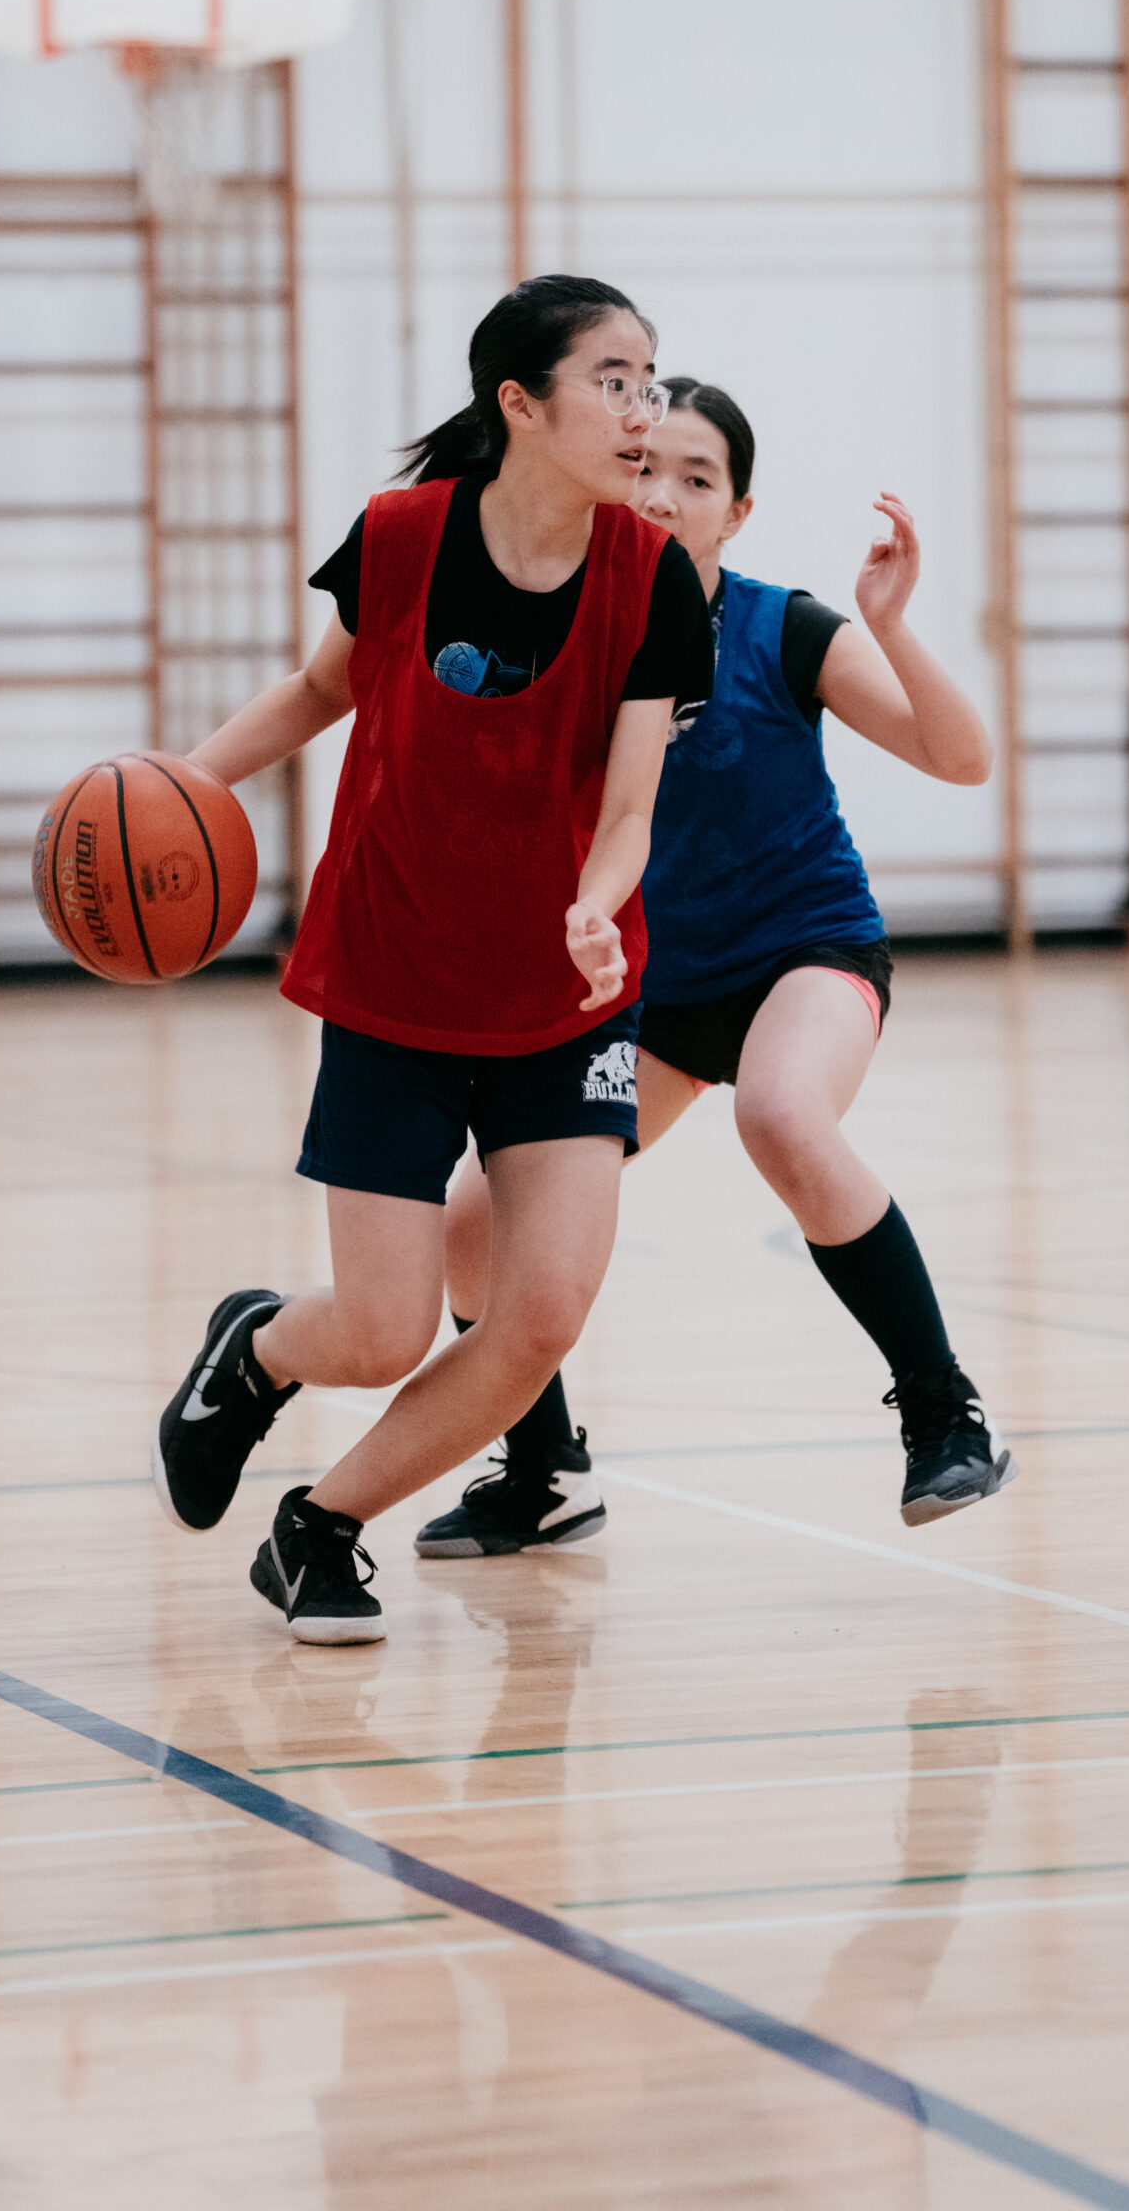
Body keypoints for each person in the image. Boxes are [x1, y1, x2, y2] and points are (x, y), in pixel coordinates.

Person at [150, 279, 713, 1643]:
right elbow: (315, 692)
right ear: (520, 405)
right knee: (383, 1329)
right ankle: (258, 1348)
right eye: (614, 379)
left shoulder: (652, 581)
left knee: (536, 1321)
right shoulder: (400, 540)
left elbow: (629, 807)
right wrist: (179, 785)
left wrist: (596, 908)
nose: (642, 408)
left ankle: (319, 1527)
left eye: (652, 378)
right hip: (395, 980)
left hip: (564, 997)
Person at [422, 375, 1014, 1557]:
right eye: (647, 470)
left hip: (806, 949)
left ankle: (945, 1409)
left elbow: (962, 760)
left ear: (736, 513)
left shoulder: (783, 628)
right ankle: (545, 1473)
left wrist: (889, 623)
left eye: (699, 479)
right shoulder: (562, 646)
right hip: (652, 992)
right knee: (477, 1221)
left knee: (787, 1117)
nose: (665, 496)